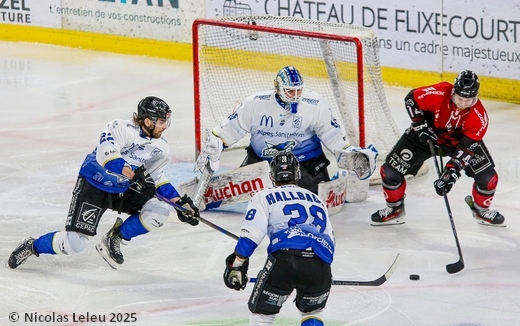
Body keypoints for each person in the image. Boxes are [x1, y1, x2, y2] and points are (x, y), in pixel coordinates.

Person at [8, 96, 200, 270]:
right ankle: (32, 246)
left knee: (159, 211)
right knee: (75, 243)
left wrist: (179, 203)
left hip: (123, 190)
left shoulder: (162, 148)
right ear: (148, 121)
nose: (165, 126)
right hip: (94, 184)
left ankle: (115, 238)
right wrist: (133, 175)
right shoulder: (119, 127)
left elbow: (158, 178)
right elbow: (106, 155)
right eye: (161, 121)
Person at [194, 66, 378, 195]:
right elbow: (234, 126)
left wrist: (347, 150)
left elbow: (331, 133)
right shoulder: (255, 103)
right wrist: (218, 140)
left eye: (299, 90)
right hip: (261, 162)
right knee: (234, 195)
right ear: (278, 87)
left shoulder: (315, 104)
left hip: (306, 163)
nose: (296, 95)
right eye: (290, 91)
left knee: (318, 200)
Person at [371, 70, 505, 227]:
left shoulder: (479, 118)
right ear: (453, 92)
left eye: (468, 100)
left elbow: (466, 150)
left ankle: (481, 211)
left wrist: (451, 172)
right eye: (460, 98)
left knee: (488, 179)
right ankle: (395, 210)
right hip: (426, 137)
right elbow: (411, 99)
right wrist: (419, 124)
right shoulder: (439, 92)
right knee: (390, 172)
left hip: (458, 144)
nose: (463, 103)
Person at [223, 151, 335, 326]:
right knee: (313, 311)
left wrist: (237, 263)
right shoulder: (316, 199)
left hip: (285, 260)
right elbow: (330, 240)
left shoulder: (263, 196)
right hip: (319, 261)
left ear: (272, 175)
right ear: (297, 174)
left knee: (262, 316)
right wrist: (317, 271)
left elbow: (252, 233)